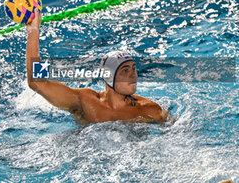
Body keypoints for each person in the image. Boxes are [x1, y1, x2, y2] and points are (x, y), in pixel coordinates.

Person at [26, 9, 169, 124]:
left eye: (134, 68)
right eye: (125, 70)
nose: (133, 75)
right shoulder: (86, 101)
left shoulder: (149, 110)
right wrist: (33, 32)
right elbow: (38, 83)